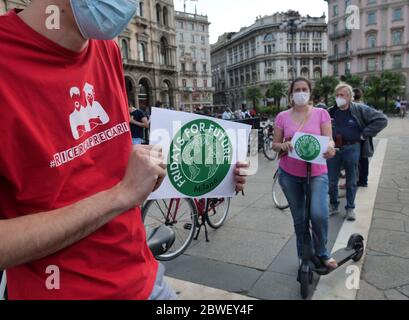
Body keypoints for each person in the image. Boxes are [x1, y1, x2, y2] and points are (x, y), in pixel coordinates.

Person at [0, 0, 249, 300]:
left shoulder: (107, 49)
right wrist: (119, 196)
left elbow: (112, 166)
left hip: (145, 280)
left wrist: (214, 168)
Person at [272, 77, 338, 269]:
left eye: (304, 89)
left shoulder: (321, 114)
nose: (300, 92)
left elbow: (329, 140)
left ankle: (323, 252)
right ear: (291, 94)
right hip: (289, 174)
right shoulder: (282, 116)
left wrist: (331, 148)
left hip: (317, 173)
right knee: (300, 219)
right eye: (296, 90)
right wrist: (282, 145)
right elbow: (275, 144)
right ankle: (303, 255)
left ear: (310, 92)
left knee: (318, 214)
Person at [327, 83, 388, 221]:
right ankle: (333, 205)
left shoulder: (359, 109)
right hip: (334, 149)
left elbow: (382, 120)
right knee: (331, 181)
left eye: (341, 95)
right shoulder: (330, 111)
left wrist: (364, 134)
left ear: (349, 97)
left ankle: (350, 208)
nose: (338, 98)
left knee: (351, 180)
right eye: (336, 95)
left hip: (352, 148)